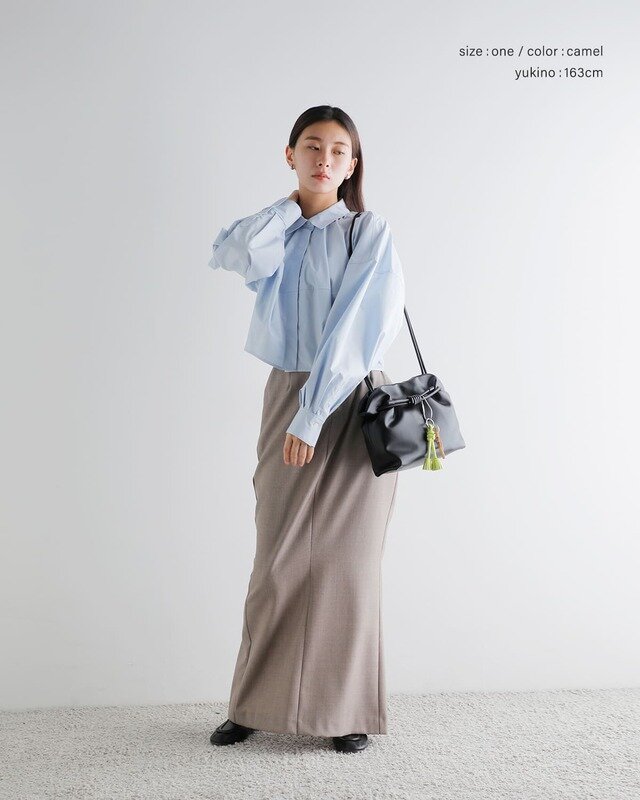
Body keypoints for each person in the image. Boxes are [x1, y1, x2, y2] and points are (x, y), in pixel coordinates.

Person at [207, 105, 405, 754]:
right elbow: (233, 254)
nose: (325, 159)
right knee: (276, 557)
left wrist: (314, 413)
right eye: (312, 147)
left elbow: (358, 327)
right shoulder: (279, 232)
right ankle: (252, 705)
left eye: (339, 150)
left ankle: (347, 712)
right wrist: (291, 206)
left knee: (347, 565)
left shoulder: (367, 231)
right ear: (290, 155)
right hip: (287, 390)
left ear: (353, 164)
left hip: (350, 397)